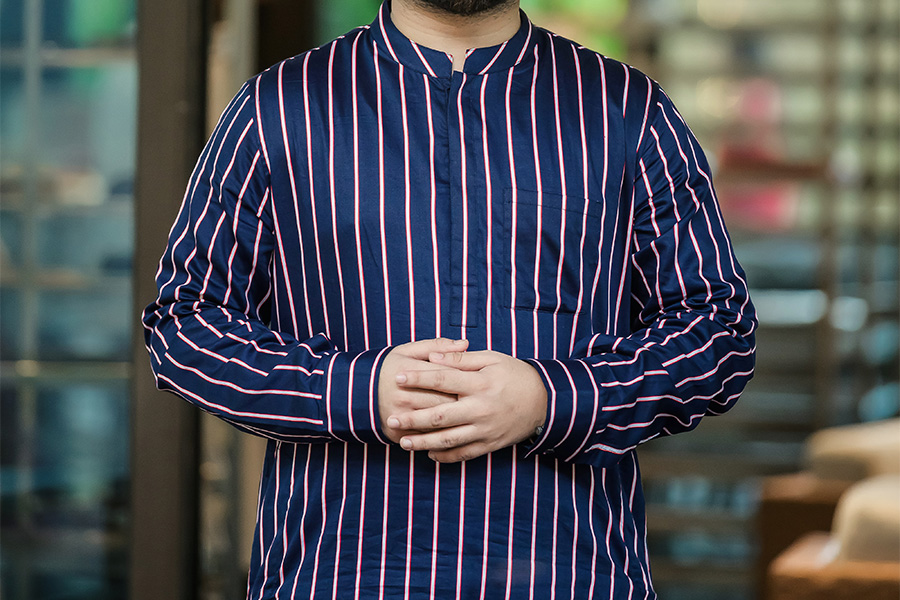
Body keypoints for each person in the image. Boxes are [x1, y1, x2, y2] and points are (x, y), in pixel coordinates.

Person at [142, 0, 757, 597]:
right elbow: (185, 324)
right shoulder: (280, 107)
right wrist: (358, 390)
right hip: (340, 573)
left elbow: (718, 331)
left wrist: (551, 399)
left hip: (567, 571)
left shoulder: (624, 109)